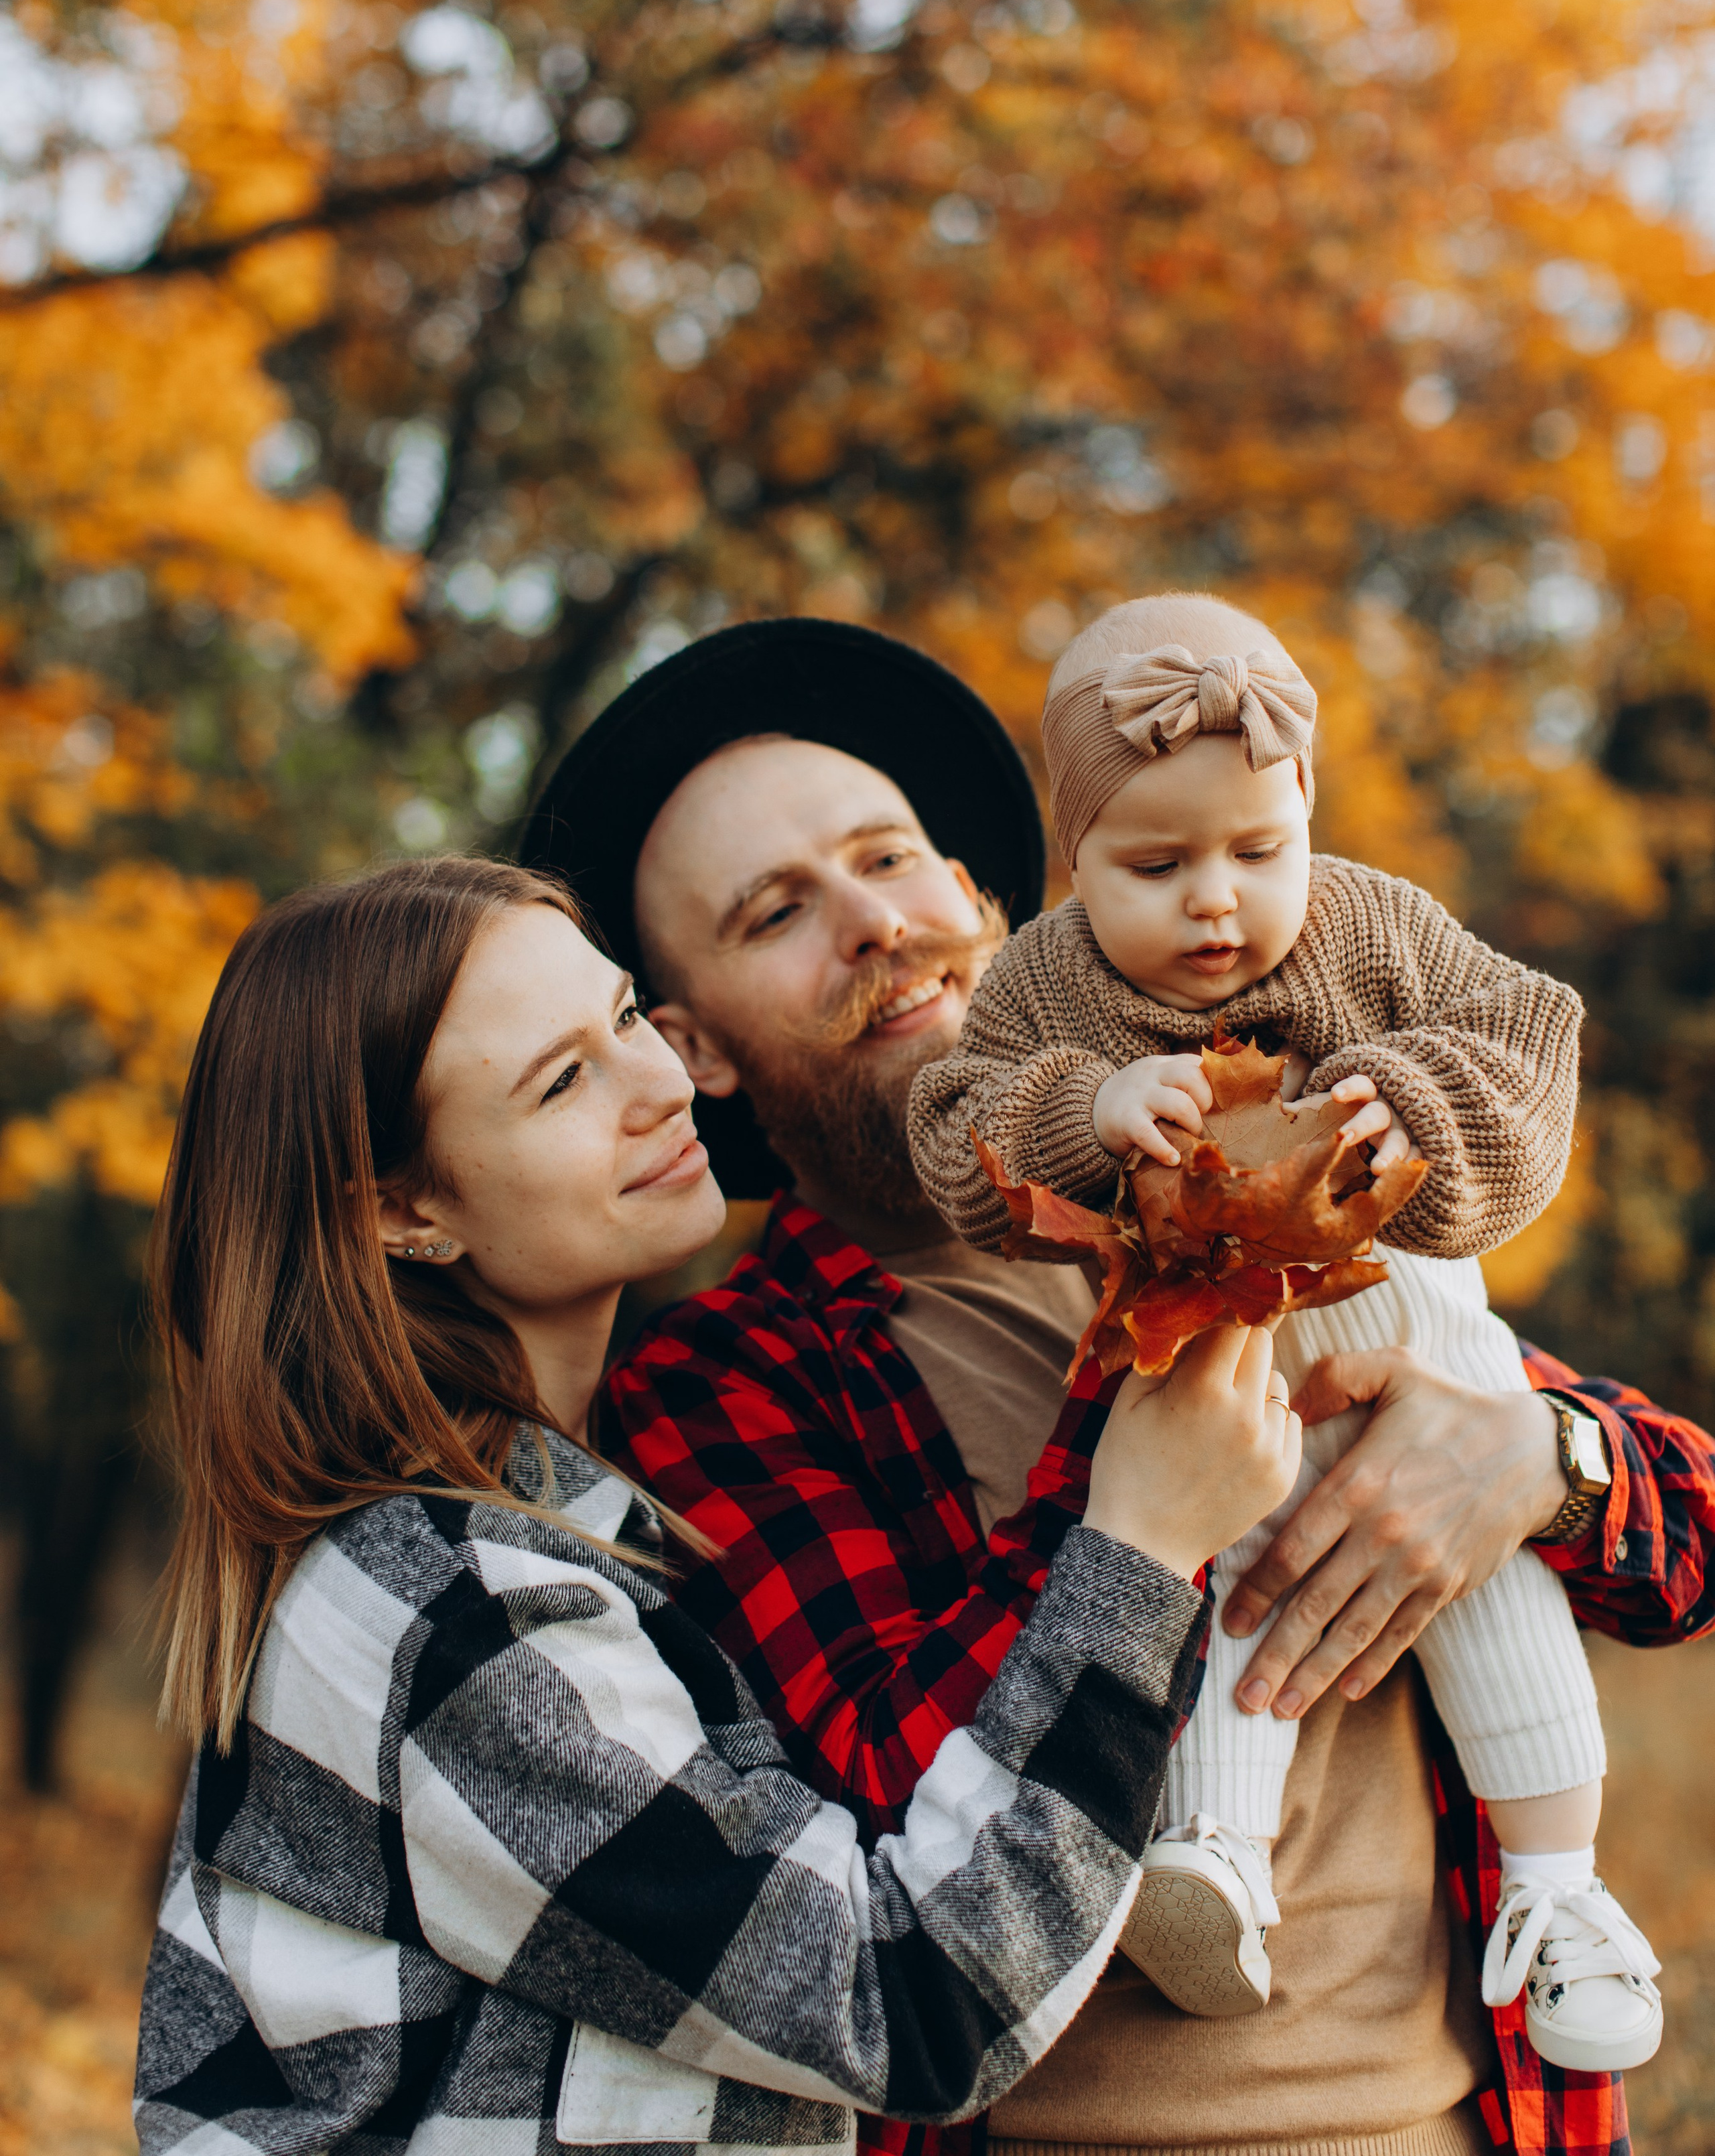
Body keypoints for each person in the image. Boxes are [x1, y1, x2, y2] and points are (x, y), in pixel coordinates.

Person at [543, 616, 1715, 2156]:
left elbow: (1682, 1544)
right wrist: (1137, 1483)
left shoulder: (1282, 1140)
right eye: (774, 913)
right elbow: (878, 1811)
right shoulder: (721, 1384)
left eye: (887, 860)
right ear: (692, 1044)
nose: (871, 926)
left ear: (977, 893)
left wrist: (1540, 1465)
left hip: (1476, 2121)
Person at [134, 854, 1299, 2154]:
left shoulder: (565, 1535)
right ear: (404, 1211)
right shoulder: (448, 1607)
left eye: (626, 1018)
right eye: (563, 1080)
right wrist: (1137, 1543)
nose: (659, 1083)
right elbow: (908, 2003)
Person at [906, 590, 1659, 2070]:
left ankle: (1560, 1892)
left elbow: (1529, 1029)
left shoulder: (1374, 925)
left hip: (1411, 1337)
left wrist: (1417, 1100)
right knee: (1227, 1584)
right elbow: (957, 1125)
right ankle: (1215, 1858)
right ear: (1071, 862)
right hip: (1208, 1352)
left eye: (1257, 851)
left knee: (1485, 1588)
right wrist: (1087, 1110)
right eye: (1155, 862)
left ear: (1305, 810)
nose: (1213, 900)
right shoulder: (1046, 980)